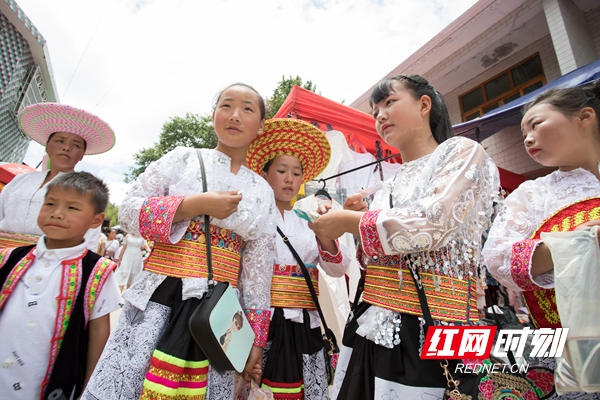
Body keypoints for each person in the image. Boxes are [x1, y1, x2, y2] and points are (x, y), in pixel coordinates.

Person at [309, 74, 501, 399]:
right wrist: (349, 223)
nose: (379, 115)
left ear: (424, 104)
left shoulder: (461, 152)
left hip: (433, 326)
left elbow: (432, 224)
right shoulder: (388, 185)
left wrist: (354, 221)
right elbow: (379, 257)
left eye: (388, 102)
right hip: (372, 322)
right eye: (374, 111)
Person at [82, 83, 277, 400]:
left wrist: (256, 340)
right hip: (162, 297)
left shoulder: (262, 191)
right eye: (226, 105)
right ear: (213, 115)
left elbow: (259, 271)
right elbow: (130, 211)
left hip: (219, 314)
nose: (235, 115)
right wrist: (194, 205)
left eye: (247, 109)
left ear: (260, 127)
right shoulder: (181, 159)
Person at [482, 81, 600, 397]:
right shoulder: (534, 193)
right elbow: (497, 259)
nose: (528, 139)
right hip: (574, 350)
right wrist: (576, 242)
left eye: (536, 125)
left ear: (585, 116)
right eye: (523, 135)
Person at [246, 118, 351, 399]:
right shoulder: (252, 219)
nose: (290, 178)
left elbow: (338, 269)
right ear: (265, 174)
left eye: (296, 172)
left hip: (306, 321)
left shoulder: (310, 218)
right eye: (281, 170)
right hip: (265, 321)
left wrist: (325, 233)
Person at [0, 171, 121, 399]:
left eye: (72, 208)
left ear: (96, 220)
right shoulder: (8, 259)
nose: (56, 214)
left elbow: (98, 334)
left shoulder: (97, 272)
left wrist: (87, 391)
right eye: (50, 204)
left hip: (46, 386)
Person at [0, 103, 116, 252]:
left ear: (82, 155)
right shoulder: (20, 180)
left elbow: (90, 239)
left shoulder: (86, 191)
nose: (66, 147)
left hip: (52, 260)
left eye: (76, 145)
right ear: (47, 146)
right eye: (60, 141)